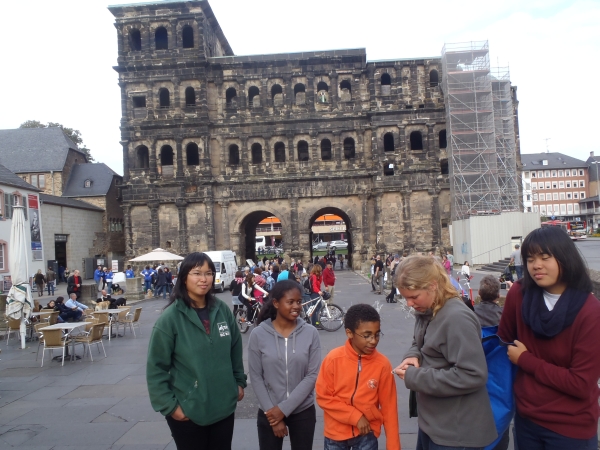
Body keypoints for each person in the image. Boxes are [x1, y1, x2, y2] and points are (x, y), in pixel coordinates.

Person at [498, 226, 600, 449]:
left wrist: (526, 360)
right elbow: (504, 339)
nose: (536, 265)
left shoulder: (589, 310)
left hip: (571, 427)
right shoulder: (519, 293)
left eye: (545, 257)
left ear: (565, 258)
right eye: (530, 258)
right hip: (527, 420)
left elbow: (581, 383)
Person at [393, 254, 497, 449]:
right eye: (405, 297)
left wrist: (415, 377)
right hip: (434, 424)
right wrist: (412, 356)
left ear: (433, 285)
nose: (409, 304)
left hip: (456, 433)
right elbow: (420, 342)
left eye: (413, 297)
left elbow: (473, 374)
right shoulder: (429, 309)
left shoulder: (456, 318)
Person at [147, 252, 246, 450]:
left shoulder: (222, 310)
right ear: (184, 277)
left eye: (208, 273)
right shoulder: (170, 319)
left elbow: (235, 348)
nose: (204, 279)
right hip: (188, 408)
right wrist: (170, 406)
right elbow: (156, 367)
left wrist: (238, 382)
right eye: (197, 273)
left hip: (223, 405)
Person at [248, 280, 321, 450]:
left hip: (302, 410)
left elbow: (312, 376)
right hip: (269, 410)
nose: (296, 306)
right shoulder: (258, 334)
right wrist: (273, 414)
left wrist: (283, 410)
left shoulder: (311, 333)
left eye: (299, 301)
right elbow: (256, 376)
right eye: (290, 302)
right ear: (276, 303)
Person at [316, 304, 401, 450]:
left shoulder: (383, 365)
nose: (373, 340)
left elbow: (389, 408)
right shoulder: (333, 359)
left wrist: (393, 445)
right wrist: (355, 417)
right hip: (335, 435)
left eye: (377, 334)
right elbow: (323, 397)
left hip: (367, 434)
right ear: (349, 333)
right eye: (367, 335)